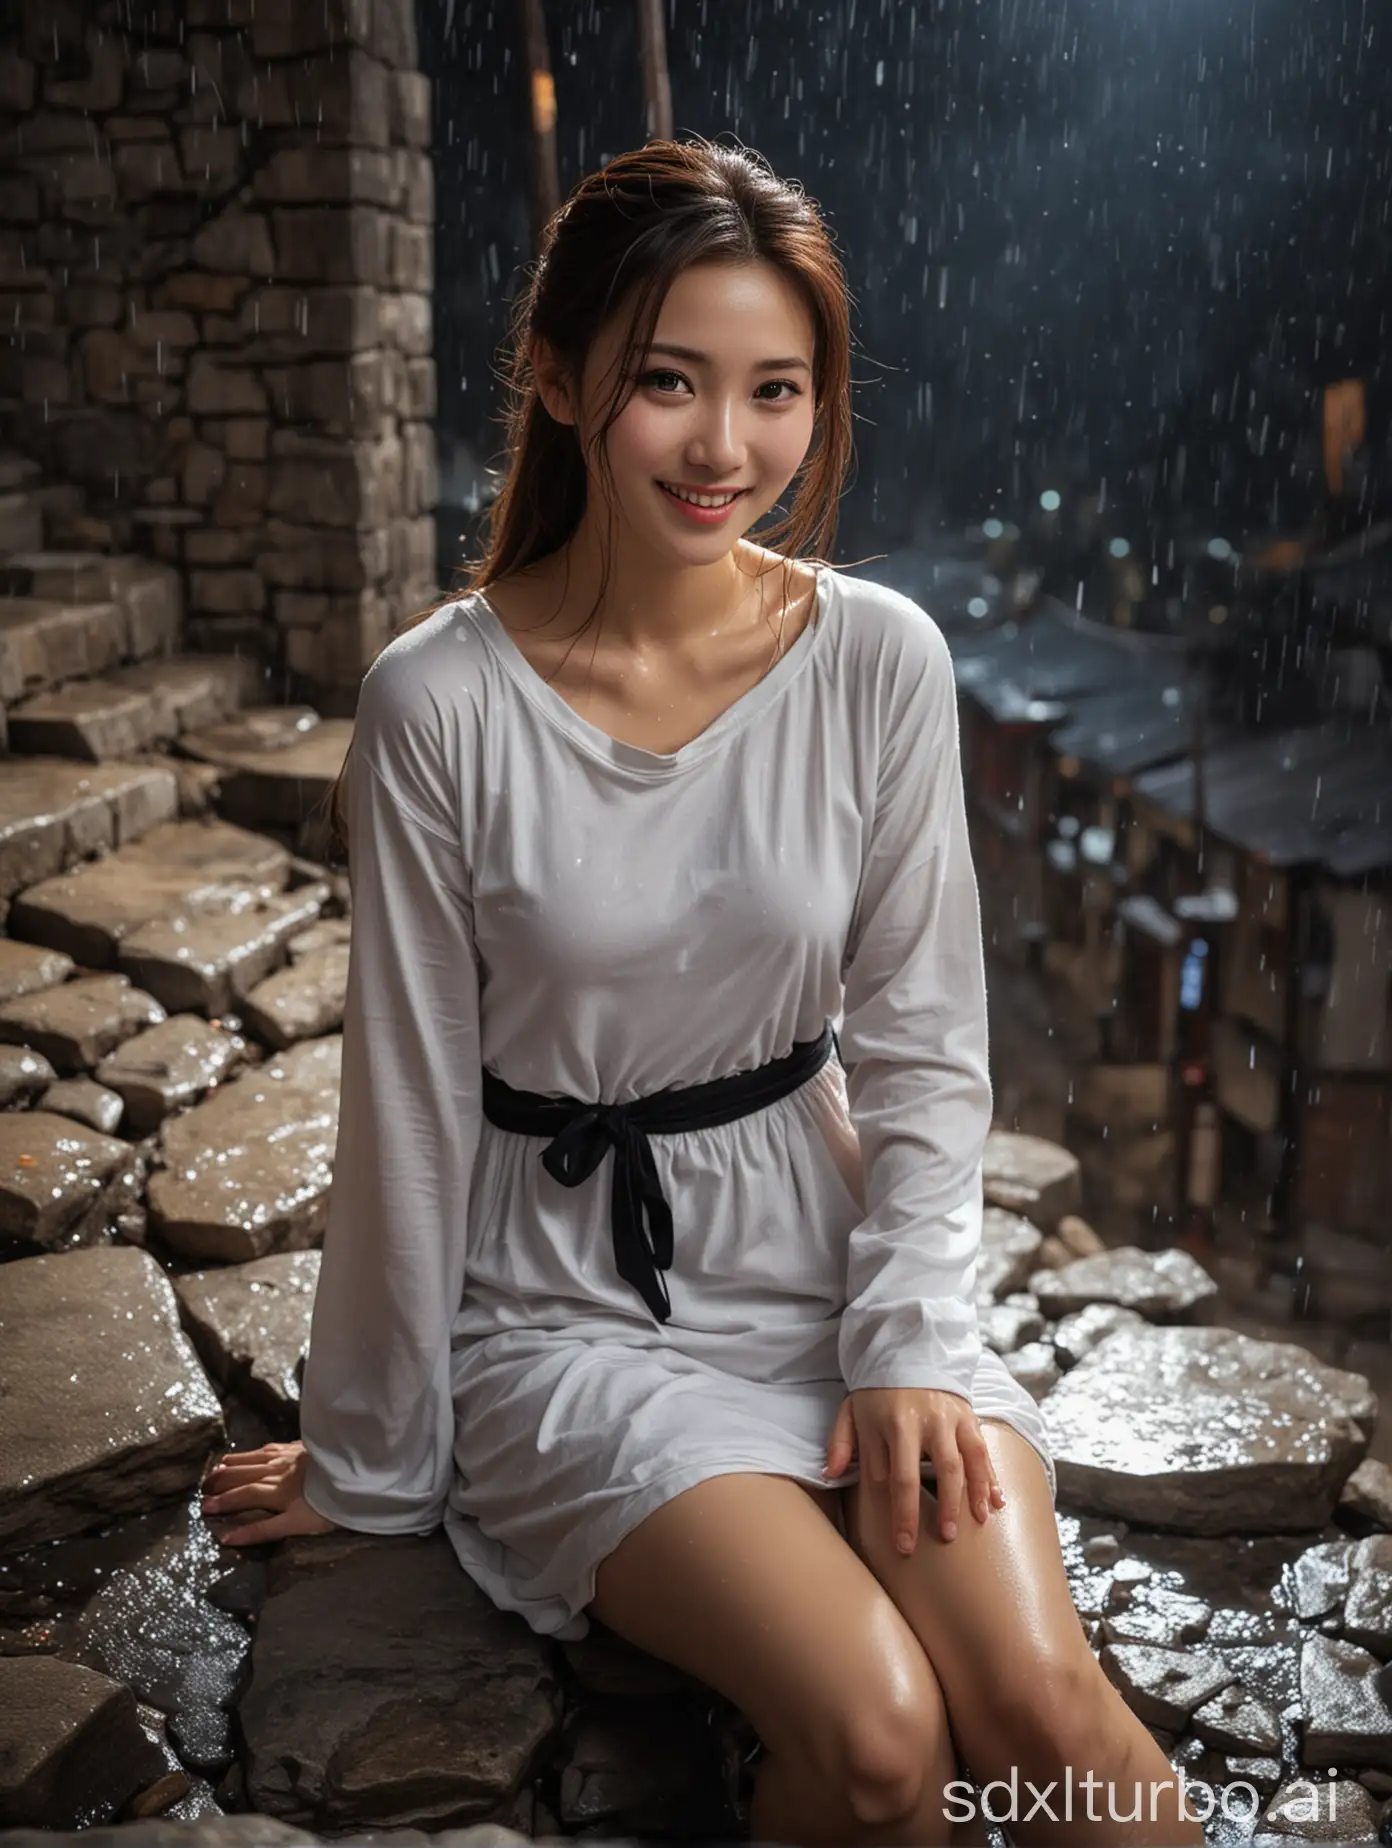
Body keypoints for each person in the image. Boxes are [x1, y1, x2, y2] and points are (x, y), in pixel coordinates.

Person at [199, 137, 1203, 1848]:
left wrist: (907, 1342)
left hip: (822, 1255)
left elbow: (925, 1050)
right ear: (559, 373)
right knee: (882, 1732)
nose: (727, 447)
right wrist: (370, 1456)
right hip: (565, 1311)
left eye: (777, 391)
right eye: (670, 381)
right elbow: (415, 1113)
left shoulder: (879, 658)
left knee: (1038, 1708)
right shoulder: (439, 704)